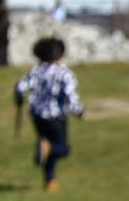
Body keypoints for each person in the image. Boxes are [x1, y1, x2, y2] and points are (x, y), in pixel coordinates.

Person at [15, 36, 86, 192]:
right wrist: (79, 111)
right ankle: (47, 154)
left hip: (37, 116)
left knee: (46, 146)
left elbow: (20, 87)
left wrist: (19, 98)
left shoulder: (35, 71)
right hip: (56, 117)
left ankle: (50, 180)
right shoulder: (64, 73)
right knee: (62, 148)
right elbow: (70, 96)